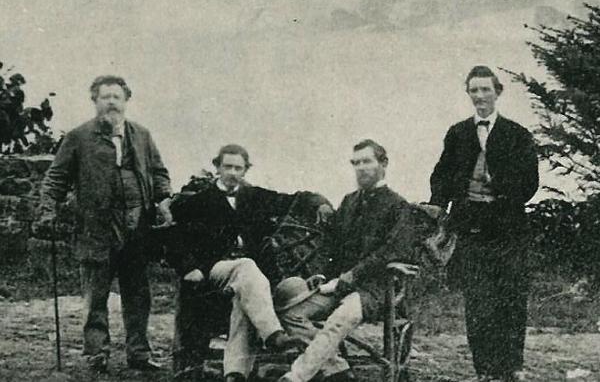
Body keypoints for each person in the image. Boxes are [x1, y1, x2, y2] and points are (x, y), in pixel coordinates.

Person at [35, 75, 173, 373]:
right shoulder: (78, 137)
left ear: (126, 101)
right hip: (96, 229)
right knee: (96, 295)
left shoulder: (142, 136)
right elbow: (56, 178)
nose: (111, 102)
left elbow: (160, 173)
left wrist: (163, 201)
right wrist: (48, 210)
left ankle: (139, 353)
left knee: (138, 295)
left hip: (137, 227)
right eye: (105, 96)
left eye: (117, 97)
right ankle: (97, 354)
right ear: (95, 100)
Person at [168, 144, 334, 382]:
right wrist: (189, 267)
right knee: (245, 267)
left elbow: (296, 199)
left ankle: (235, 373)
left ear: (245, 170)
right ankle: (273, 335)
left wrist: (320, 203)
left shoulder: (255, 196)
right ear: (217, 167)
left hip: (253, 280)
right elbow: (175, 239)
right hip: (216, 270)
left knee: (257, 292)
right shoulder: (197, 202)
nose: (233, 172)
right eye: (228, 167)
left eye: (238, 168)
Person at [277, 139, 426, 382]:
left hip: (376, 289)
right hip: (338, 284)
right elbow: (331, 246)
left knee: (340, 319)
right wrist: (324, 275)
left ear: (383, 164)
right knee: (291, 314)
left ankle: (296, 377)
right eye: (356, 163)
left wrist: (350, 277)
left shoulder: (398, 206)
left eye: (366, 161)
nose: (360, 168)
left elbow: (390, 253)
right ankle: (337, 369)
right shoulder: (349, 202)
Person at [428, 66, 539, 382]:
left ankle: (512, 367)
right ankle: (485, 371)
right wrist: (438, 204)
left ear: (498, 92)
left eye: (485, 90)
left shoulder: (517, 135)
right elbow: (442, 174)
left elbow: (529, 183)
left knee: (511, 300)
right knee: (478, 302)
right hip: (471, 230)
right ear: (468, 94)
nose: (479, 96)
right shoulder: (458, 133)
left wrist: (500, 183)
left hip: (508, 231)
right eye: (473, 90)